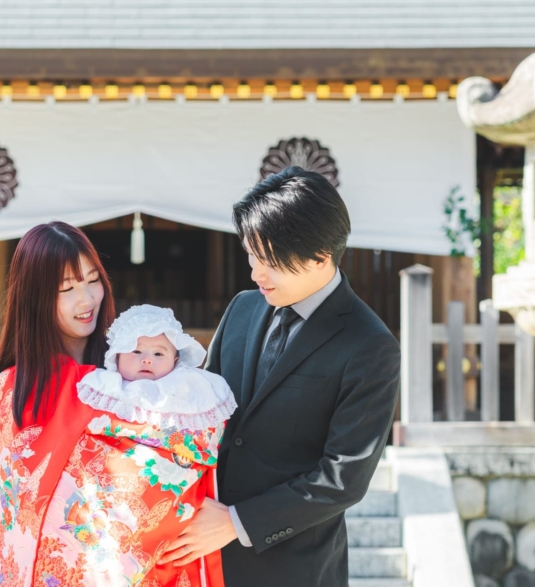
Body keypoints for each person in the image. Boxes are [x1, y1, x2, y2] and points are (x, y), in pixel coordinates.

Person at [158, 167, 402, 586]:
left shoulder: (370, 345)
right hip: (200, 556)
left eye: (270, 261)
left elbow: (342, 479)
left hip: (293, 566)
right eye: (251, 255)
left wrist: (237, 522)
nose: (256, 273)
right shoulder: (242, 309)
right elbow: (199, 410)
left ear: (320, 256)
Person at [0, 224, 230, 587]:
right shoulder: (17, 388)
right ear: (34, 299)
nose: (87, 299)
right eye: (66, 288)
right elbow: (22, 511)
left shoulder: (133, 367)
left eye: (92, 280)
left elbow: (183, 453)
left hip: (157, 570)